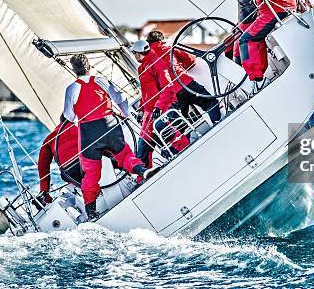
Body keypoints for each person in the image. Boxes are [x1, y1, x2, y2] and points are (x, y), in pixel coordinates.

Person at [63, 54, 156, 220]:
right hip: (109, 125)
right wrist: (127, 114)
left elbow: (69, 116)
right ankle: (142, 170)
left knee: (90, 172)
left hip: (88, 133)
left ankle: (91, 212)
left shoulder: (72, 88)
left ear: (73, 70)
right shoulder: (101, 81)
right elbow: (121, 98)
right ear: (89, 66)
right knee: (125, 155)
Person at [131, 40, 188, 168]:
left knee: (167, 133)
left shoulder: (157, 63)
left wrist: (159, 107)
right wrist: (141, 109)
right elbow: (146, 92)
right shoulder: (142, 68)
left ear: (139, 53)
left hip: (161, 109)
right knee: (143, 145)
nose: (134, 56)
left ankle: (188, 152)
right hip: (150, 112)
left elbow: (168, 87)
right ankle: (144, 173)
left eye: (134, 53)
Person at [146, 30, 221, 125]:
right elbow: (191, 60)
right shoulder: (169, 49)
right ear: (161, 40)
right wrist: (182, 67)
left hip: (172, 94)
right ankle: (217, 124)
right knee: (211, 102)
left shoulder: (148, 62)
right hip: (186, 84)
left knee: (182, 121)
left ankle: (187, 138)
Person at [36, 115, 82, 206]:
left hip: (68, 174)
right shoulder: (81, 128)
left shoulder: (50, 137)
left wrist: (44, 191)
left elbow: (43, 166)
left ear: (60, 121)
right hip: (87, 165)